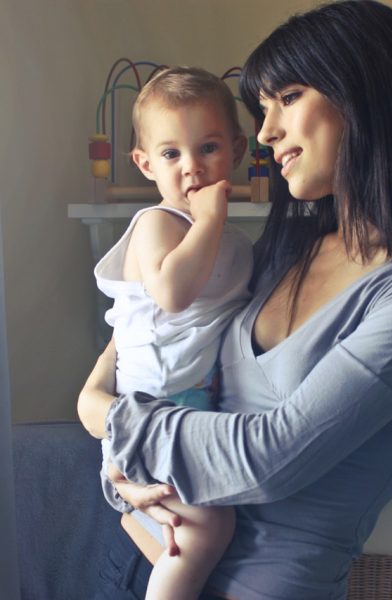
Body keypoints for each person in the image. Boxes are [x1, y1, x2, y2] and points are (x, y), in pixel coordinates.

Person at [78, 1, 392, 599]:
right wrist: (98, 401)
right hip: (159, 556)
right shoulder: (284, 249)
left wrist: (110, 418)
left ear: (365, 91)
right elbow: (152, 329)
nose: (266, 131)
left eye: (290, 96)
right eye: (261, 108)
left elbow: (266, 458)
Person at [90, 66, 253, 600]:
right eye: (171, 154)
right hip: (149, 409)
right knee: (210, 528)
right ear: (144, 165)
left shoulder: (233, 242)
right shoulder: (158, 223)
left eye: (207, 147)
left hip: (190, 405)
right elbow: (173, 293)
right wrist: (206, 222)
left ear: (237, 150)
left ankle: (146, 538)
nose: (192, 169)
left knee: (203, 534)